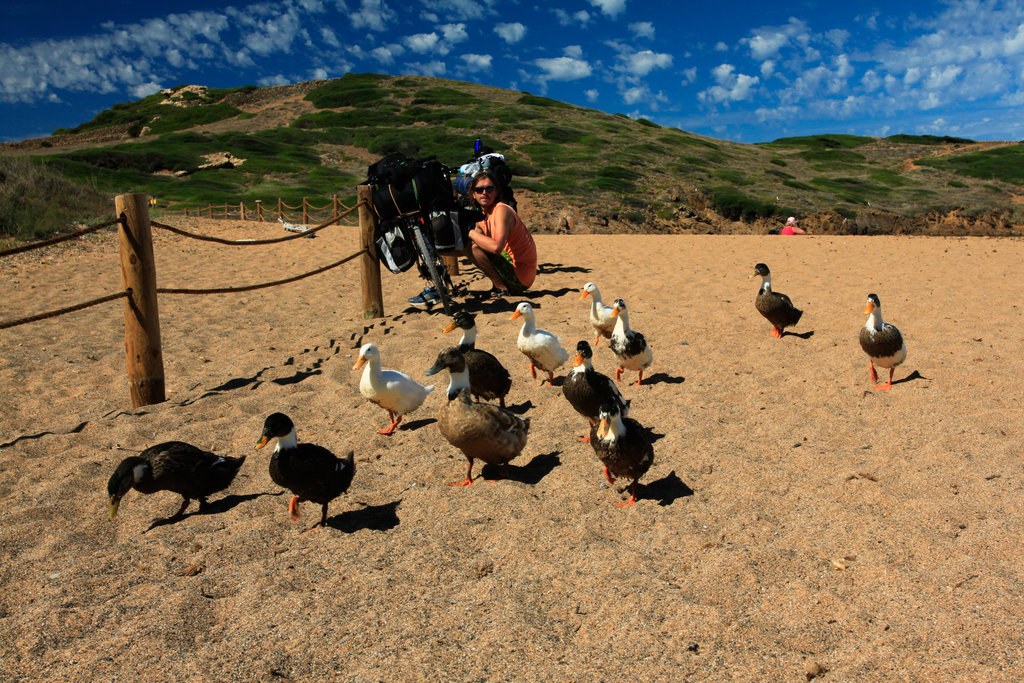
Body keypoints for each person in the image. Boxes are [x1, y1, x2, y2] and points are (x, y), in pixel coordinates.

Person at [409, 170, 537, 307]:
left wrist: (469, 233)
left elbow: (496, 247)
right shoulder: (483, 215)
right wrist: (440, 251)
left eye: (489, 189)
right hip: (517, 274)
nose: (484, 193)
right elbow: (464, 250)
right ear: (473, 194)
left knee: (474, 244)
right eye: (479, 189)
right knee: (471, 244)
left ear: (496, 191)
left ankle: (501, 288)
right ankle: (499, 286)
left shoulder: (501, 210)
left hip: (521, 275)